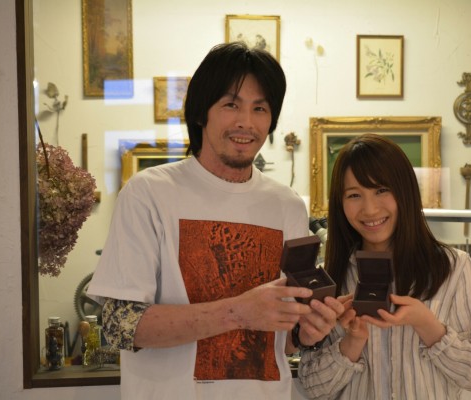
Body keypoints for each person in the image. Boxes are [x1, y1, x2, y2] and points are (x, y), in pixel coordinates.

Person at [87, 42, 343, 400]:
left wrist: (307, 332)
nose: (246, 122)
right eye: (231, 105)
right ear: (200, 113)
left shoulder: (287, 205)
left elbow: (282, 340)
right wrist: (237, 312)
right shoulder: (149, 193)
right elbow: (119, 326)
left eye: (260, 108)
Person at [297, 134, 471, 400]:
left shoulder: (454, 268)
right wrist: (352, 342)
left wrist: (425, 323)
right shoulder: (328, 278)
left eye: (381, 190)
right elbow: (312, 387)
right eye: (354, 195)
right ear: (340, 203)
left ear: (405, 191)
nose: (370, 209)